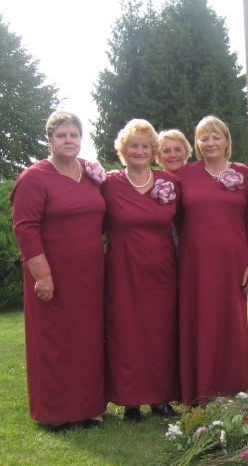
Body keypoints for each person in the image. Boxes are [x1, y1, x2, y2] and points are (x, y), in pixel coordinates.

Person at [10, 110, 107, 431]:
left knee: (88, 340)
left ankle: (89, 408)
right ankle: (54, 411)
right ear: (49, 139)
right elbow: (25, 228)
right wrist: (42, 275)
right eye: (62, 135)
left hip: (90, 275)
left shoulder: (90, 174)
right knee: (53, 341)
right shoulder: (34, 177)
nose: (69, 140)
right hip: (52, 274)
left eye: (74, 135)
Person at [176, 116, 248, 405]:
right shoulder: (184, 174)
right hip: (195, 260)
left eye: (215, 137)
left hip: (233, 259)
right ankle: (200, 389)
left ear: (226, 141)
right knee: (199, 319)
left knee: (231, 320)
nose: (209, 143)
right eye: (203, 138)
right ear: (197, 144)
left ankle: (233, 388)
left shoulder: (245, 175)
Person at [102, 119, 181, 422]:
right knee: (126, 333)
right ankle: (130, 401)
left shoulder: (168, 183)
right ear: (123, 150)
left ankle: (160, 399)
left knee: (161, 333)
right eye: (133, 145)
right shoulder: (109, 184)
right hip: (122, 271)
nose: (139, 150)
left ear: (153, 151)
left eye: (145, 146)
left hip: (161, 271)